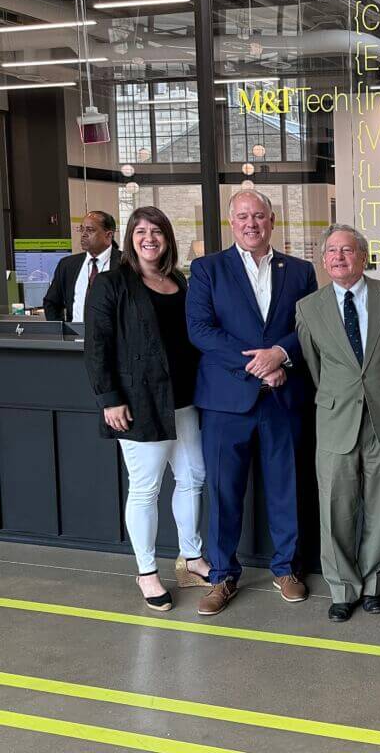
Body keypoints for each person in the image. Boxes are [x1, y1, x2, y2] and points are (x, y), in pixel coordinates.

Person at [185, 190, 318, 616]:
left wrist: (281, 354)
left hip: (283, 397)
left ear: (272, 220)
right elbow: (200, 330)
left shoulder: (299, 271)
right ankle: (222, 575)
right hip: (226, 400)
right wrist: (259, 364)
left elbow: (310, 325)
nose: (251, 223)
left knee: (287, 487)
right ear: (231, 222)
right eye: (242, 216)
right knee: (224, 492)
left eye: (258, 215)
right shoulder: (208, 268)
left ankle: (287, 569)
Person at [83, 206, 210, 611]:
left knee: (192, 477)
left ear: (168, 238)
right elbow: (97, 345)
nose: (149, 238)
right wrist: (109, 399)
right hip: (138, 403)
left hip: (185, 400)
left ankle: (191, 558)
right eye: (141, 231)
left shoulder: (178, 280)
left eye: (157, 231)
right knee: (146, 488)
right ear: (129, 238)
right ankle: (147, 572)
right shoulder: (111, 283)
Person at [295, 224, 380, 623]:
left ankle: (374, 584)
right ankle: (343, 589)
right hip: (335, 417)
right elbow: (314, 365)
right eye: (332, 252)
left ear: (363, 256)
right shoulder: (308, 308)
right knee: (336, 507)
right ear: (323, 260)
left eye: (348, 250)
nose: (340, 257)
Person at [44, 210, 121, 322]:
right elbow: (51, 302)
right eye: (82, 229)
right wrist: (62, 333)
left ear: (108, 235)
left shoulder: (127, 264)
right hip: (77, 337)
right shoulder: (67, 265)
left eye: (90, 230)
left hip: (114, 338)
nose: (84, 234)